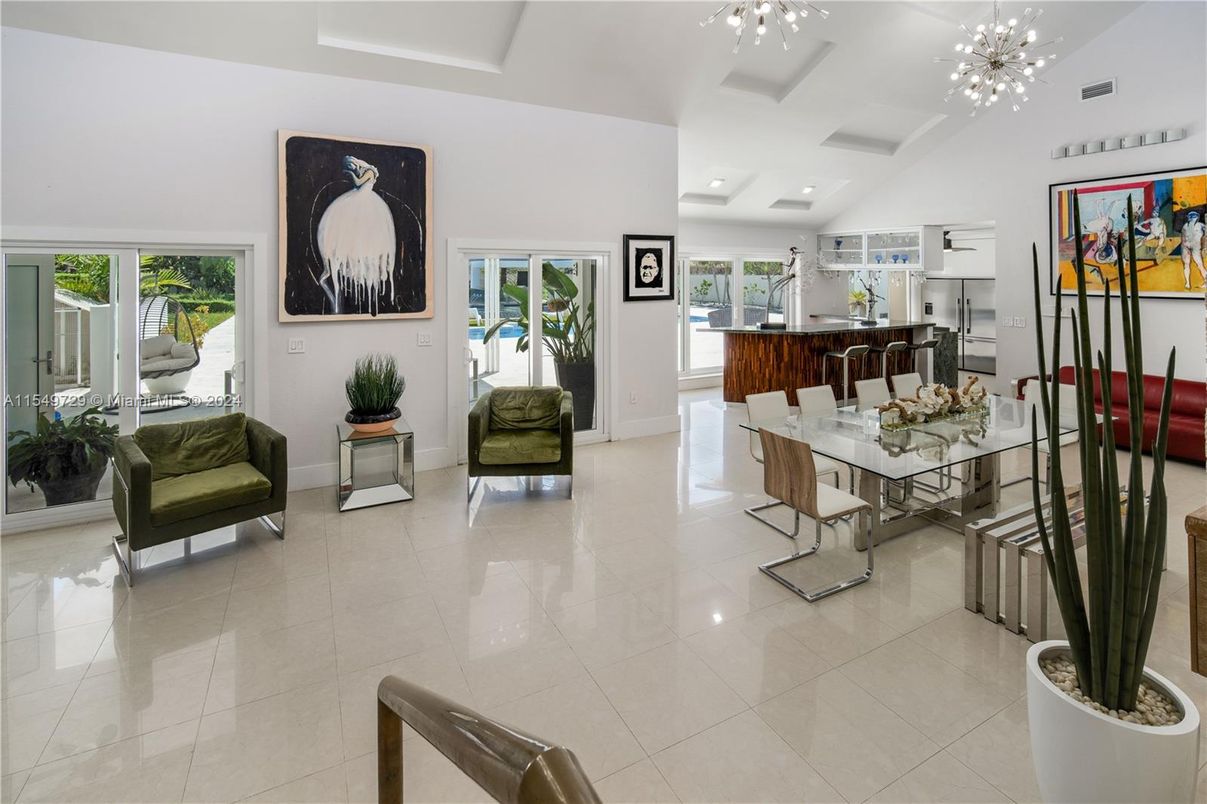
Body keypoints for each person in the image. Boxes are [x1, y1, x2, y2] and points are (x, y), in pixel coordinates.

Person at [1183, 210, 1206, 290]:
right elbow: (1183, 237)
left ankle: (1206, 281)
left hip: (1196, 247)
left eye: (1193, 216)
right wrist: (1185, 246)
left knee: (1200, 265)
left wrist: (1204, 247)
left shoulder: (1201, 225)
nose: (1192, 218)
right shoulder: (1185, 226)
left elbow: (1205, 236)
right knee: (1186, 264)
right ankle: (1187, 283)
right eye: (1190, 216)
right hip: (1187, 248)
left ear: (1197, 217)